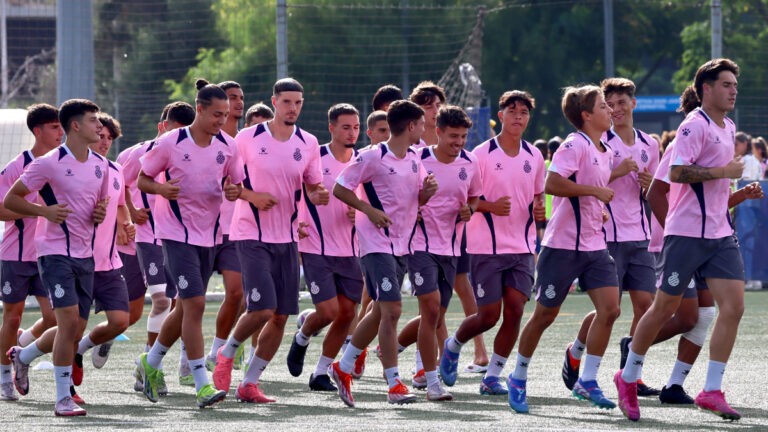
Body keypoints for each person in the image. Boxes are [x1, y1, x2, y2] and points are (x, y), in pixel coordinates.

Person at [616, 58, 749, 422]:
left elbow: (717, 187)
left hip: (720, 235)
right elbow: (675, 172)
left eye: (734, 84)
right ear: (706, 89)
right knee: (663, 310)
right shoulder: (694, 124)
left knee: (732, 308)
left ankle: (711, 389)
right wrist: (722, 171)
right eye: (726, 84)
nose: (733, 90)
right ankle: (627, 378)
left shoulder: (729, 126)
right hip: (686, 234)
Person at [212, 78, 328, 404]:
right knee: (262, 308)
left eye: (298, 103)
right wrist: (252, 196)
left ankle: (250, 382)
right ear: (274, 102)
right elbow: (229, 184)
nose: (293, 108)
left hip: (288, 237)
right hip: (250, 233)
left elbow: (312, 186)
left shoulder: (308, 143)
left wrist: (317, 197)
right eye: (287, 102)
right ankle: (227, 353)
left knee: (280, 316)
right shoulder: (246, 139)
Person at [508, 85, 619, 414]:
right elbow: (552, 184)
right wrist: (594, 193)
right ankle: (518, 377)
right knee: (544, 316)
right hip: (562, 247)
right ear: (586, 115)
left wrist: (595, 205)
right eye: (603, 106)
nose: (610, 110)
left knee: (610, 310)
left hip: (595, 245)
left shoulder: (606, 150)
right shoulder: (574, 144)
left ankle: (587, 380)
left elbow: (588, 194)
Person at [136, 79, 243, 408]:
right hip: (176, 235)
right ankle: (201, 383)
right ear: (199, 109)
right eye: (215, 114)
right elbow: (143, 179)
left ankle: (150, 363)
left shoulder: (228, 146)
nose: (221, 121)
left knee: (184, 306)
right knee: (195, 305)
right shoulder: (171, 142)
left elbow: (233, 183)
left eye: (225, 115)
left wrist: (232, 192)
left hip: (210, 235)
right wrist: (160, 190)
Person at [329, 100, 437, 407]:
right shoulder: (373, 155)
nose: (425, 129)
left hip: (403, 243)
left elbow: (415, 199)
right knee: (391, 310)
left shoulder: (416, 157)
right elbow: (340, 187)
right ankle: (393, 383)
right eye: (422, 124)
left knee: (379, 310)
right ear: (411, 126)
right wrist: (368, 209)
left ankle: (344, 366)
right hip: (375, 244)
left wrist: (426, 194)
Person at [5, 99, 108, 416]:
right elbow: (11, 198)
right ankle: (63, 398)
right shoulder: (48, 163)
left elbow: (95, 208)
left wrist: (99, 214)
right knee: (65, 323)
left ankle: (22, 357)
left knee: (77, 326)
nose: (99, 127)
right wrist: (42, 211)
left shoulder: (99, 164)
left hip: (84, 254)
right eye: (93, 121)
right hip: (53, 254)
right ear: (75, 126)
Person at [439, 91, 545, 399]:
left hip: (523, 247)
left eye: (524, 112)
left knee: (514, 312)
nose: (518, 117)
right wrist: (489, 207)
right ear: (500, 115)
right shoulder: (481, 155)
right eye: (512, 111)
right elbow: (467, 199)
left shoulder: (534, 156)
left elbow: (537, 195)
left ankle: (493, 376)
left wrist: (539, 209)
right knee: (489, 315)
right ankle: (454, 345)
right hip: (486, 247)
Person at [562, 78, 661, 397]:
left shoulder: (650, 143)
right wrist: (618, 172)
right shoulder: (598, 142)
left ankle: (631, 373)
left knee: (645, 306)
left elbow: (655, 190)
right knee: (609, 308)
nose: (616, 110)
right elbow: (583, 181)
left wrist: (648, 184)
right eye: (610, 104)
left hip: (640, 235)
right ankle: (576, 350)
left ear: (634, 104)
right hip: (606, 235)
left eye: (622, 103)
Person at [399, 105, 481, 401]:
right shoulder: (417, 159)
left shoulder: (470, 162)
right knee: (431, 307)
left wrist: (469, 210)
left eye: (463, 137)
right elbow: (401, 195)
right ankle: (431, 381)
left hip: (451, 247)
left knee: (435, 315)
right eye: (453, 136)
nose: (458, 142)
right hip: (419, 244)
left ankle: (394, 347)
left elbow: (474, 197)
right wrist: (417, 204)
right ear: (439, 132)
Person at [285, 103, 364, 392]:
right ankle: (303, 336)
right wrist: (297, 223)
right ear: (331, 127)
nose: (351, 132)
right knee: (329, 311)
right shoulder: (313, 156)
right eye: (345, 126)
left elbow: (370, 200)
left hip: (351, 249)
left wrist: (362, 213)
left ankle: (320, 373)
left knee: (346, 313)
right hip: (316, 245)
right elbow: (294, 192)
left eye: (356, 127)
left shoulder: (362, 160)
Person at [120, 101, 195, 390]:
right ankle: (154, 370)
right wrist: (130, 213)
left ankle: (167, 365)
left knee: (183, 305)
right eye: (174, 130)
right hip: (149, 236)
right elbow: (120, 184)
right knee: (161, 300)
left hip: (179, 239)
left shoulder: (193, 151)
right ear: (161, 127)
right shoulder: (138, 153)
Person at [71, 113, 135, 402]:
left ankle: (79, 349)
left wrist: (126, 223)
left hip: (109, 262)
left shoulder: (116, 170)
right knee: (69, 325)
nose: (105, 141)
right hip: (77, 261)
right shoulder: (70, 168)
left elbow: (121, 206)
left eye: (110, 138)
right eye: (101, 136)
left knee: (121, 320)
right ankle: (63, 385)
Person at [0, 104, 61, 401]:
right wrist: (37, 211)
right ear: (38, 131)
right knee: (12, 317)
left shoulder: (65, 163)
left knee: (54, 318)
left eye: (62, 126)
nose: (61, 132)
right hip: (15, 254)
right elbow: (1, 208)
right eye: (54, 127)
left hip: (50, 255)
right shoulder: (17, 166)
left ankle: (20, 350)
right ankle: (3, 378)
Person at [205, 81, 247, 372]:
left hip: (234, 229)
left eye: (241, 98)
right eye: (232, 98)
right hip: (200, 229)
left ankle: (216, 352)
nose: (238, 103)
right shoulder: (200, 139)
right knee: (187, 302)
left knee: (237, 294)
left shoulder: (243, 141)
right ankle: (176, 359)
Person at [409, 81, 446, 147]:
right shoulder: (408, 147)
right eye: (429, 107)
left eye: (438, 105)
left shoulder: (449, 144)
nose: (436, 111)